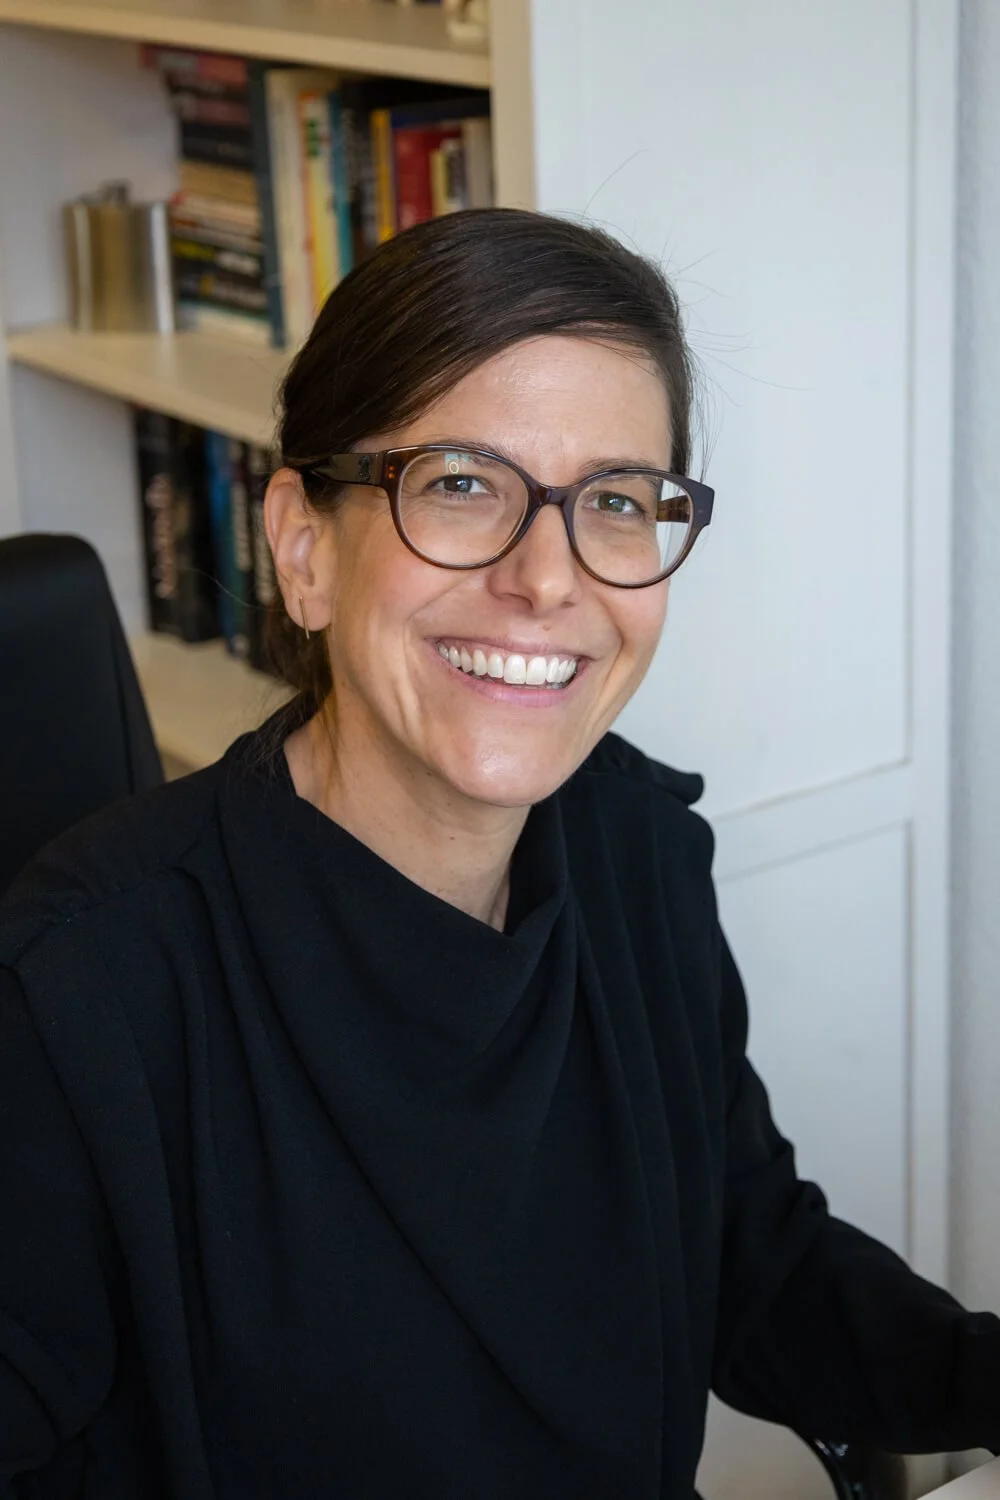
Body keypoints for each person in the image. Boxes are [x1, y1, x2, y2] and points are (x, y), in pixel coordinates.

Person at [0, 208, 997, 1500]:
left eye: (617, 502)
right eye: (461, 483)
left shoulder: (637, 847)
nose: (548, 577)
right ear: (304, 547)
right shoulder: (80, 997)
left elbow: (749, 1260)